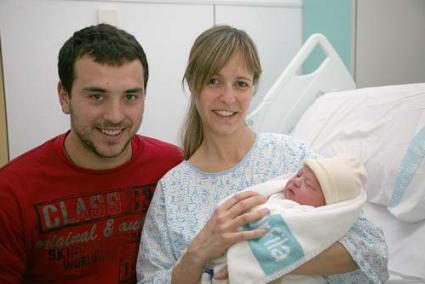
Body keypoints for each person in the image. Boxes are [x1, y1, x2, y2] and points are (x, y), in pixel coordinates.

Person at [137, 25, 388, 283]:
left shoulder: (291, 156)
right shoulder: (173, 190)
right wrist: (198, 252)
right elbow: (150, 278)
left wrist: (266, 263)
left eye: (241, 84)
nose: (228, 97)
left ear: (254, 87)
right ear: (192, 82)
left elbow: (370, 248)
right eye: (213, 81)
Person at [0, 24, 183, 283]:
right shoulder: (10, 192)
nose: (115, 116)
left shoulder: (174, 167)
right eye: (97, 96)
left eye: (130, 97)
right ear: (64, 97)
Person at [204, 153, 369, 283]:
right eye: (298, 175)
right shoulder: (275, 197)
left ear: (326, 205)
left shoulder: (308, 218)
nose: (297, 182)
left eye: (309, 185)